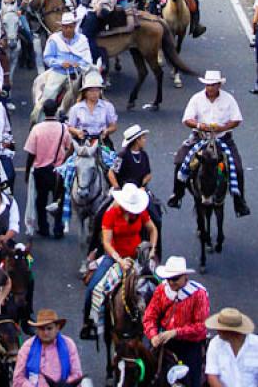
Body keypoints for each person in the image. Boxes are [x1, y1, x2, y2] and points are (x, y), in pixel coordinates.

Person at [80, 182, 158, 339]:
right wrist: (120, 260)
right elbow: (107, 243)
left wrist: (153, 248)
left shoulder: (140, 213)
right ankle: (89, 324)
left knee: (160, 285)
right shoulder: (110, 215)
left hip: (138, 256)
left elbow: (152, 229)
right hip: (115, 258)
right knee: (93, 289)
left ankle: (160, 324)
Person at [168, 70, 250, 216]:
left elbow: (237, 119)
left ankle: (240, 202)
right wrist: (200, 126)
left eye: (213, 85)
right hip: (200, 137)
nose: (210, 88)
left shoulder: (228, 99)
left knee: (237, 168)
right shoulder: (196, 99)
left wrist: (223, 127)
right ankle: (177, 194)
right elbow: (187, 119)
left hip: (222, 138)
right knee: (180, 160)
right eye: (207, 85)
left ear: (219, 85)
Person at [144, 256, 209, 387]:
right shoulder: (162, 290)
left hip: (189, 345)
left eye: (175, 279)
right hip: (164, 341)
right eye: (169, 279)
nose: (171, 283)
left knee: (193, 382)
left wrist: (175, 332)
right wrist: (153, 335)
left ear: (185, 276)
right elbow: (149, 316)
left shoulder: (198, 294)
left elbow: (201, 326)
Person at [24, 99, 71, 239]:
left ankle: (43, 227)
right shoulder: (63, 128)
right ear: (56, 111)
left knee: (41, 200)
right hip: (59, 170)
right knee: (58, 200)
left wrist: (27, 172)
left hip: (41, 170)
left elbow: (31, 153)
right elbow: (69, 146)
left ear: (43, 112)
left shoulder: (37, 129)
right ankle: (58, 228)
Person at [13, 309, 83, 387]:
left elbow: (77, 375)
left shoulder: (68, 344)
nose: (45, 333)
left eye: (49, 328)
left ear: (57, 328)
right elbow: (18, 379)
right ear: (37, 330)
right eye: (42, 329)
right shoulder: (27, 347)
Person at [205, 307, 258, 387]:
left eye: (220, 328)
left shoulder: (256, 344)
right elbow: (212, 377)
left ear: (232, 332)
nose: (217, 330)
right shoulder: (215, 344)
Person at [68, 71, 118, 143]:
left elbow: (113, 126)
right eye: (91, 91)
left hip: (101, 141)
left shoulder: (107, 106)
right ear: (85, 92)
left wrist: (107, 131)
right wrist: (77, 132)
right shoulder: (76, 108)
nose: (95, 93)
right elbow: (70, 127)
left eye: (97, 90)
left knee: (112, 154)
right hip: (82, 141)